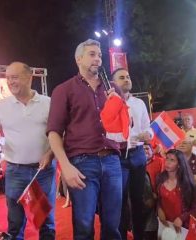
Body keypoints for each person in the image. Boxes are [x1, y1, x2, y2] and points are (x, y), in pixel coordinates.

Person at [47, 39, 123, 240]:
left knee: (113, 225)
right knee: (84, 226)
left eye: (99, 54)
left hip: (113, 161)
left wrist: (118, 104)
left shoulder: (113, 88)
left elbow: (126, 126)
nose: (97, 59)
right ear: (78, 58)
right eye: (91, 54)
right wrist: (65, 167)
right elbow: (54, 132)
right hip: (82, 163)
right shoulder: (63, 90)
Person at [0, 61, 56, 240]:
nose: (10, 82)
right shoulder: (1, 106)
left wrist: (50, 153)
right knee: (15, 223)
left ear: (29, 77)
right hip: (15, 171)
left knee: (46, 221)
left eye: (14, 77)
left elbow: (61, 134)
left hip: (43, 170)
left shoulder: (49, 103)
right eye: (7, 78)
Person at [112, 68, 152, 240]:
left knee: (138, 200)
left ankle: (139, 236)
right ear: (113, 83)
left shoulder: (139, 103)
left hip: (138, 155)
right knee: (119, 202)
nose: (126, 79)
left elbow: (147, 127)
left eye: (128, 76)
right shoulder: (108, 103)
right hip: (117, 155)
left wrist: (148, 134)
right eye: (121, 77)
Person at [156, 149, 196, 235]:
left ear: (179, 164)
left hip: (182, 227)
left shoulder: (187, 183)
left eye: (172, 160)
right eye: (167, 158)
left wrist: (181, 218)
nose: (167, 162)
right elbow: (159, 199)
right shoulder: (160, 178)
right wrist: (159, 209)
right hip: (164, 225)